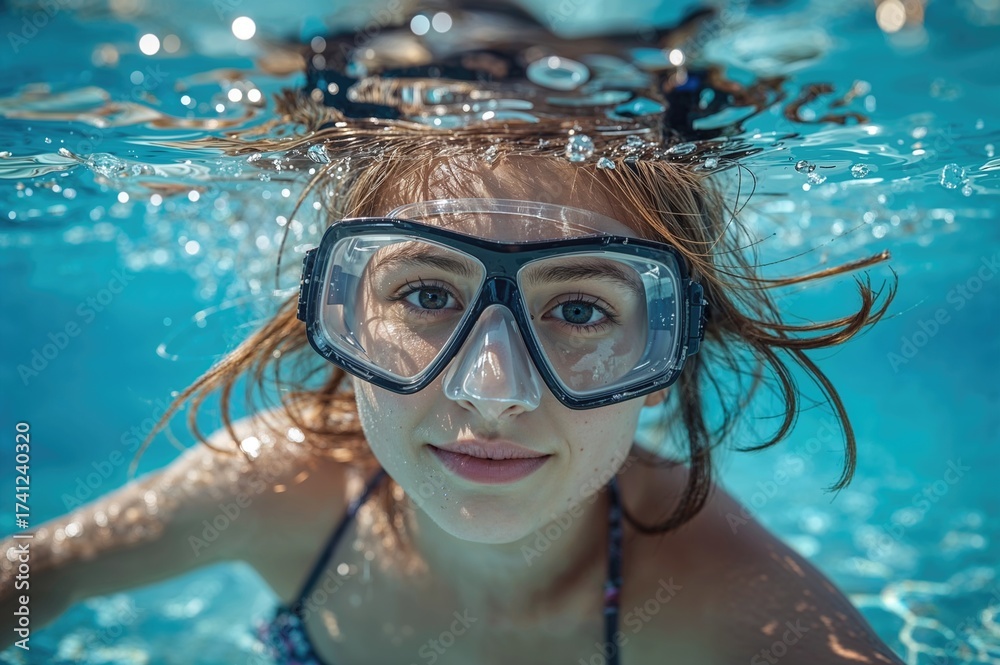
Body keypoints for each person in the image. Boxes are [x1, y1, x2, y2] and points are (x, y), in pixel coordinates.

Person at [2, 5, 906, 664]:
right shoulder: (281, 486)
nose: (490, 386)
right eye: (428, 293)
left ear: (665, 358)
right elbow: (35, 578)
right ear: (342, 312)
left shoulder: (729, 601)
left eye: (581, 309)